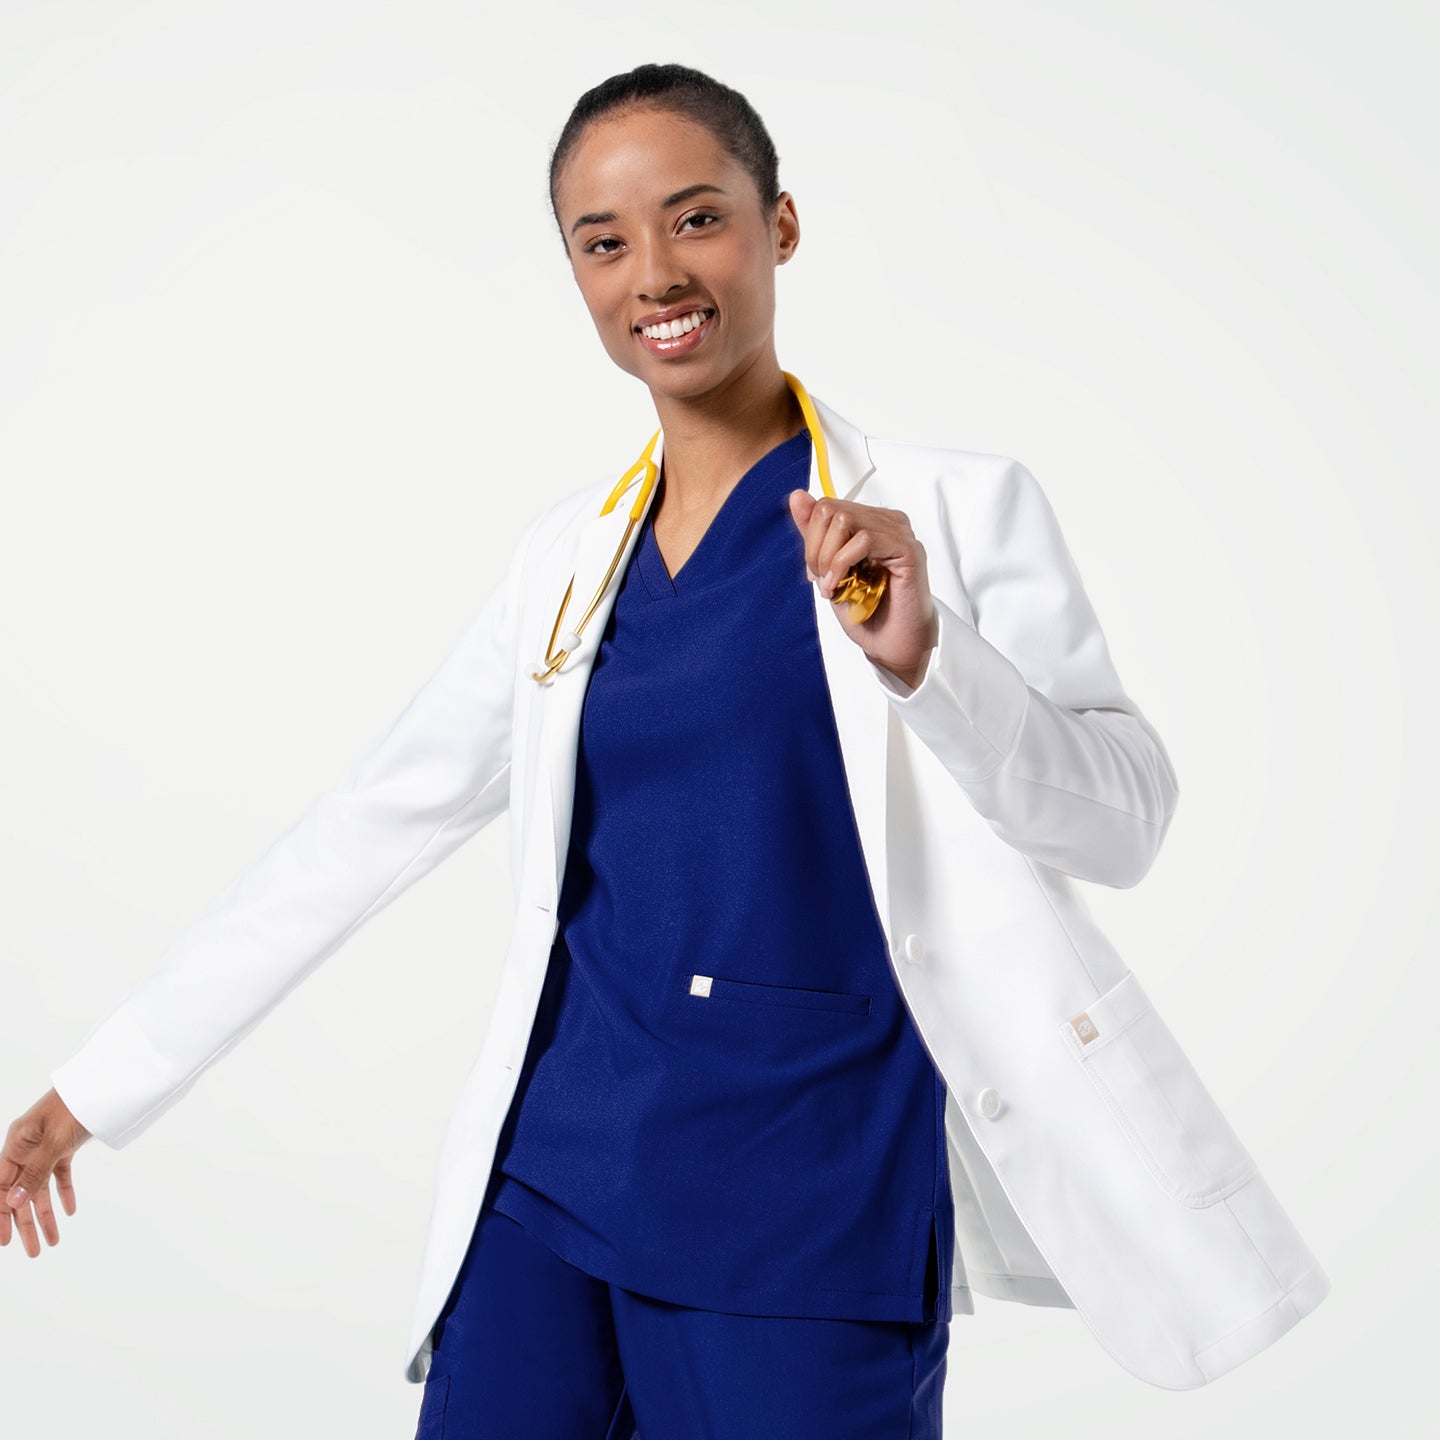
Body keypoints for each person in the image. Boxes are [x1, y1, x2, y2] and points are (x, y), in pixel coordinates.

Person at [5, 60, 1328, 1439]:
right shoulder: (566, 565)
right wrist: (92, 1092)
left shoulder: (951, 511)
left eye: (695, 219)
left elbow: (1125, 823)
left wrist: (933, 662)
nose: (655, 272)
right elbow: (364, 830)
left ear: (781, 228)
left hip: (811, 1211)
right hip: (555, 1192)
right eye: (604, 240)